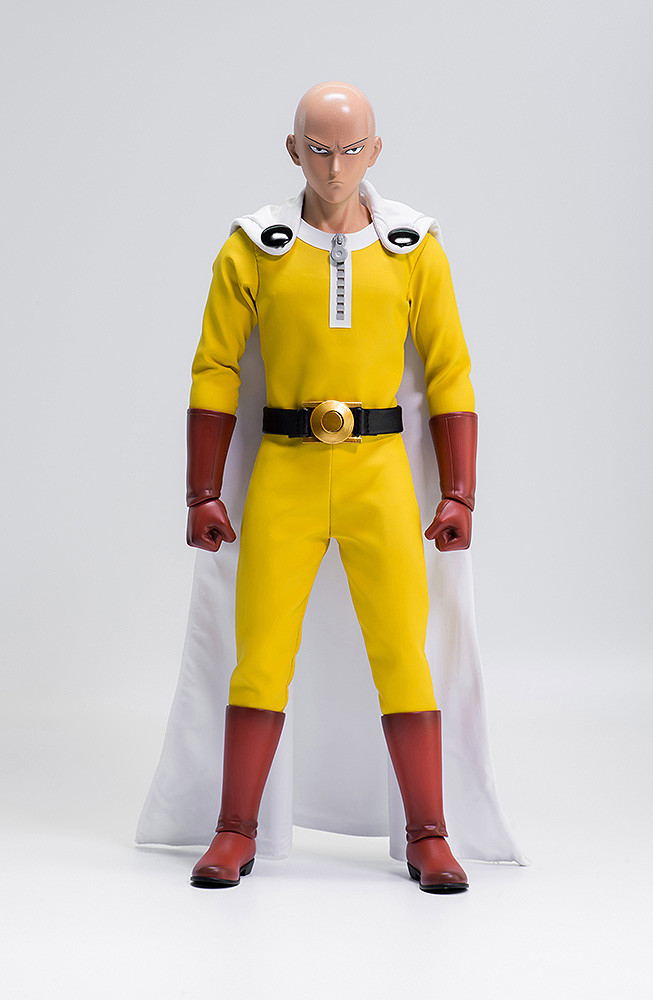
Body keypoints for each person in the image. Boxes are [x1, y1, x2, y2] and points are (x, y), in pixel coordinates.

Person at [182, 81, 481, 894]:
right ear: (294, 151)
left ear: (375, 151)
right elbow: (215, 366)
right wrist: (202, 490)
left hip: (378, 475)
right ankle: (234, 829)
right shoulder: (256, 246)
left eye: (351, 149)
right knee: (260, 655)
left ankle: (429, 834)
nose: (335, 167)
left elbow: (450, 371)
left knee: (403, 653)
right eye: (318, 149)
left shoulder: (414, 247)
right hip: (286, 469)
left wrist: (459, 492)